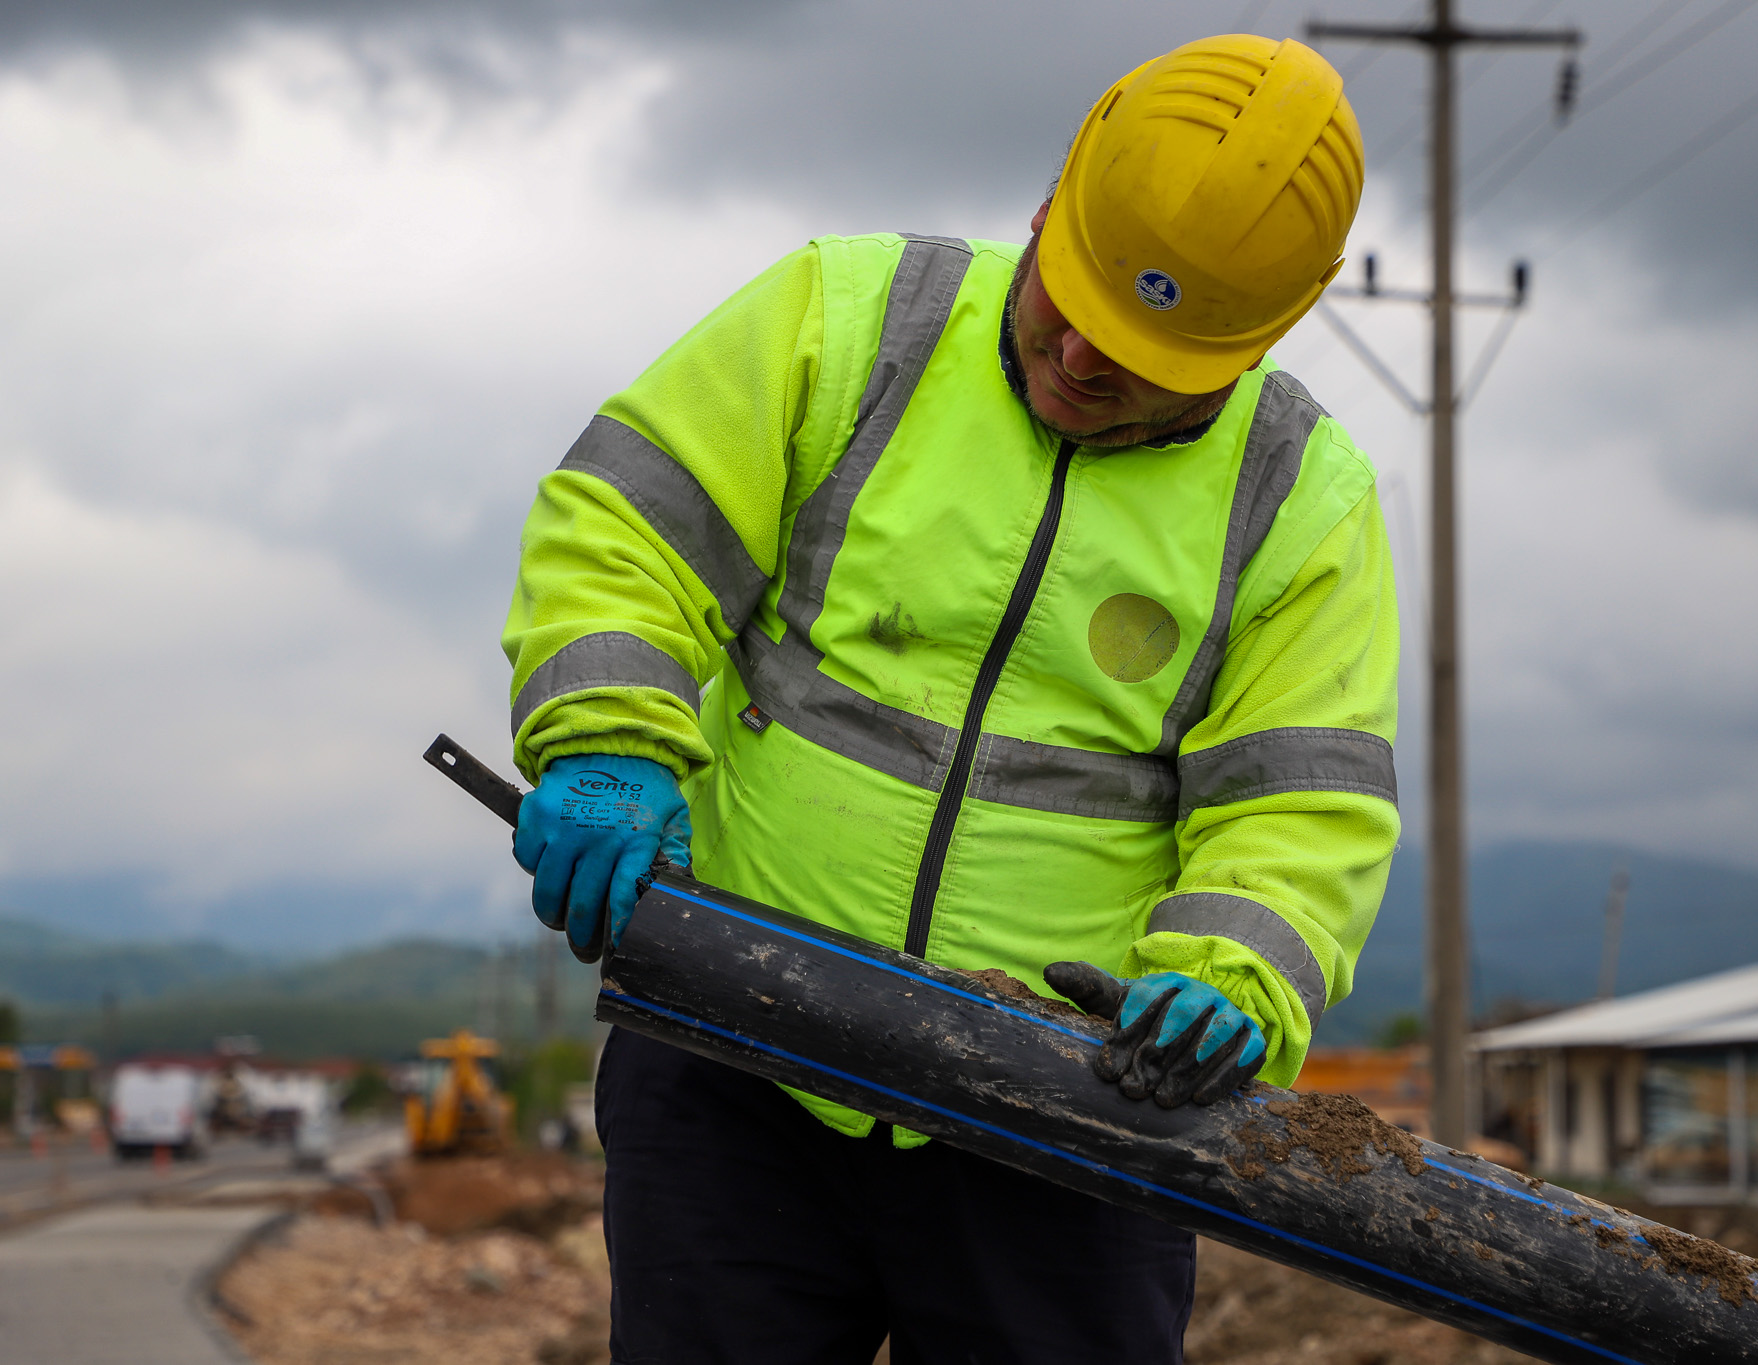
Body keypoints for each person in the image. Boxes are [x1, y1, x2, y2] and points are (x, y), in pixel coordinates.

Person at [503, 33, 1399, 1364]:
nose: (1086, 358)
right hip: (738, 1049)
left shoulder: (1299, 502)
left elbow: (1300, 801)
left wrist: (1236, 975)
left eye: (1145, 352)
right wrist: (607, 739)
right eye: (1072, 300)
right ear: (1049, 206)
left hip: (1072, 1116)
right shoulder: (847, 320)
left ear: (1258, 339)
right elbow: (630, 529)